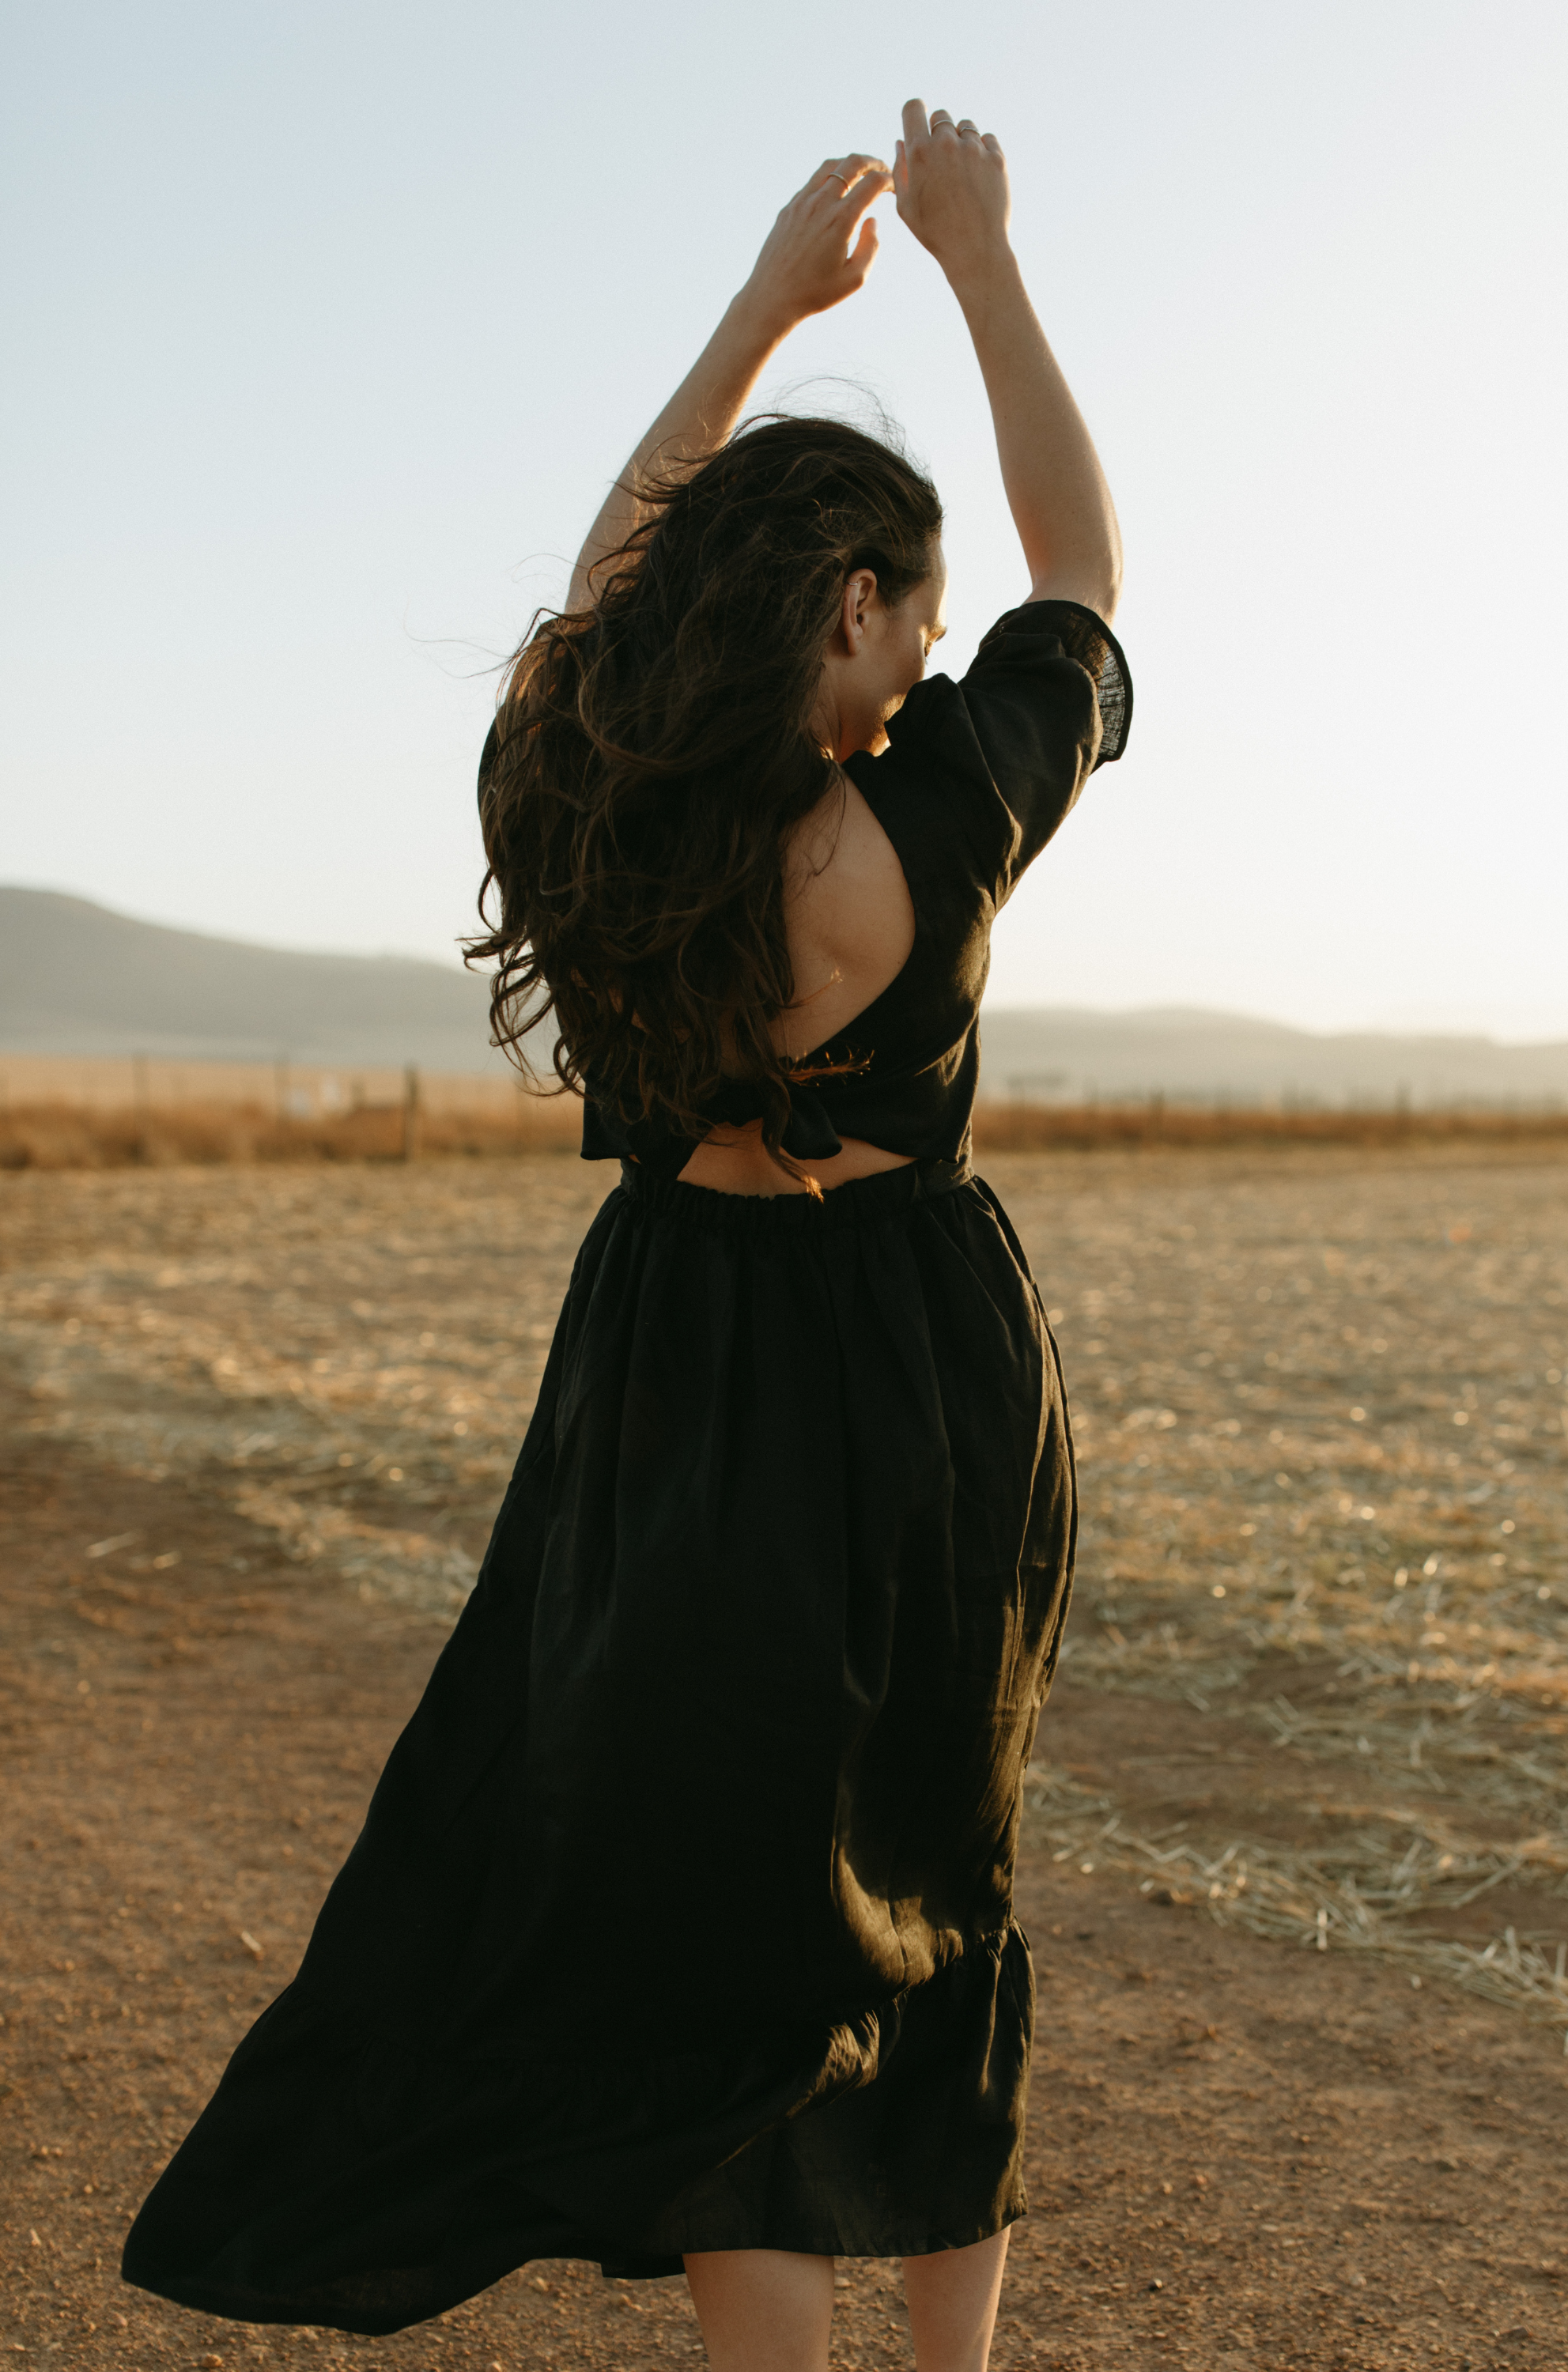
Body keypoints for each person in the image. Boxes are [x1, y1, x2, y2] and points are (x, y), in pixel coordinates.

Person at [123, 98, 1129, 2372]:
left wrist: (768, 308)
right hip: (925, 1369)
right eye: (912, 620)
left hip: (683, 1359)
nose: (924, 659)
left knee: (718, 1932)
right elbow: (1090, 574)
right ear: (853, 605)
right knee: (943, 1883)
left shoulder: (591, 792)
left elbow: (603, 588)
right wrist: (977, 259)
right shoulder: (935, 820)